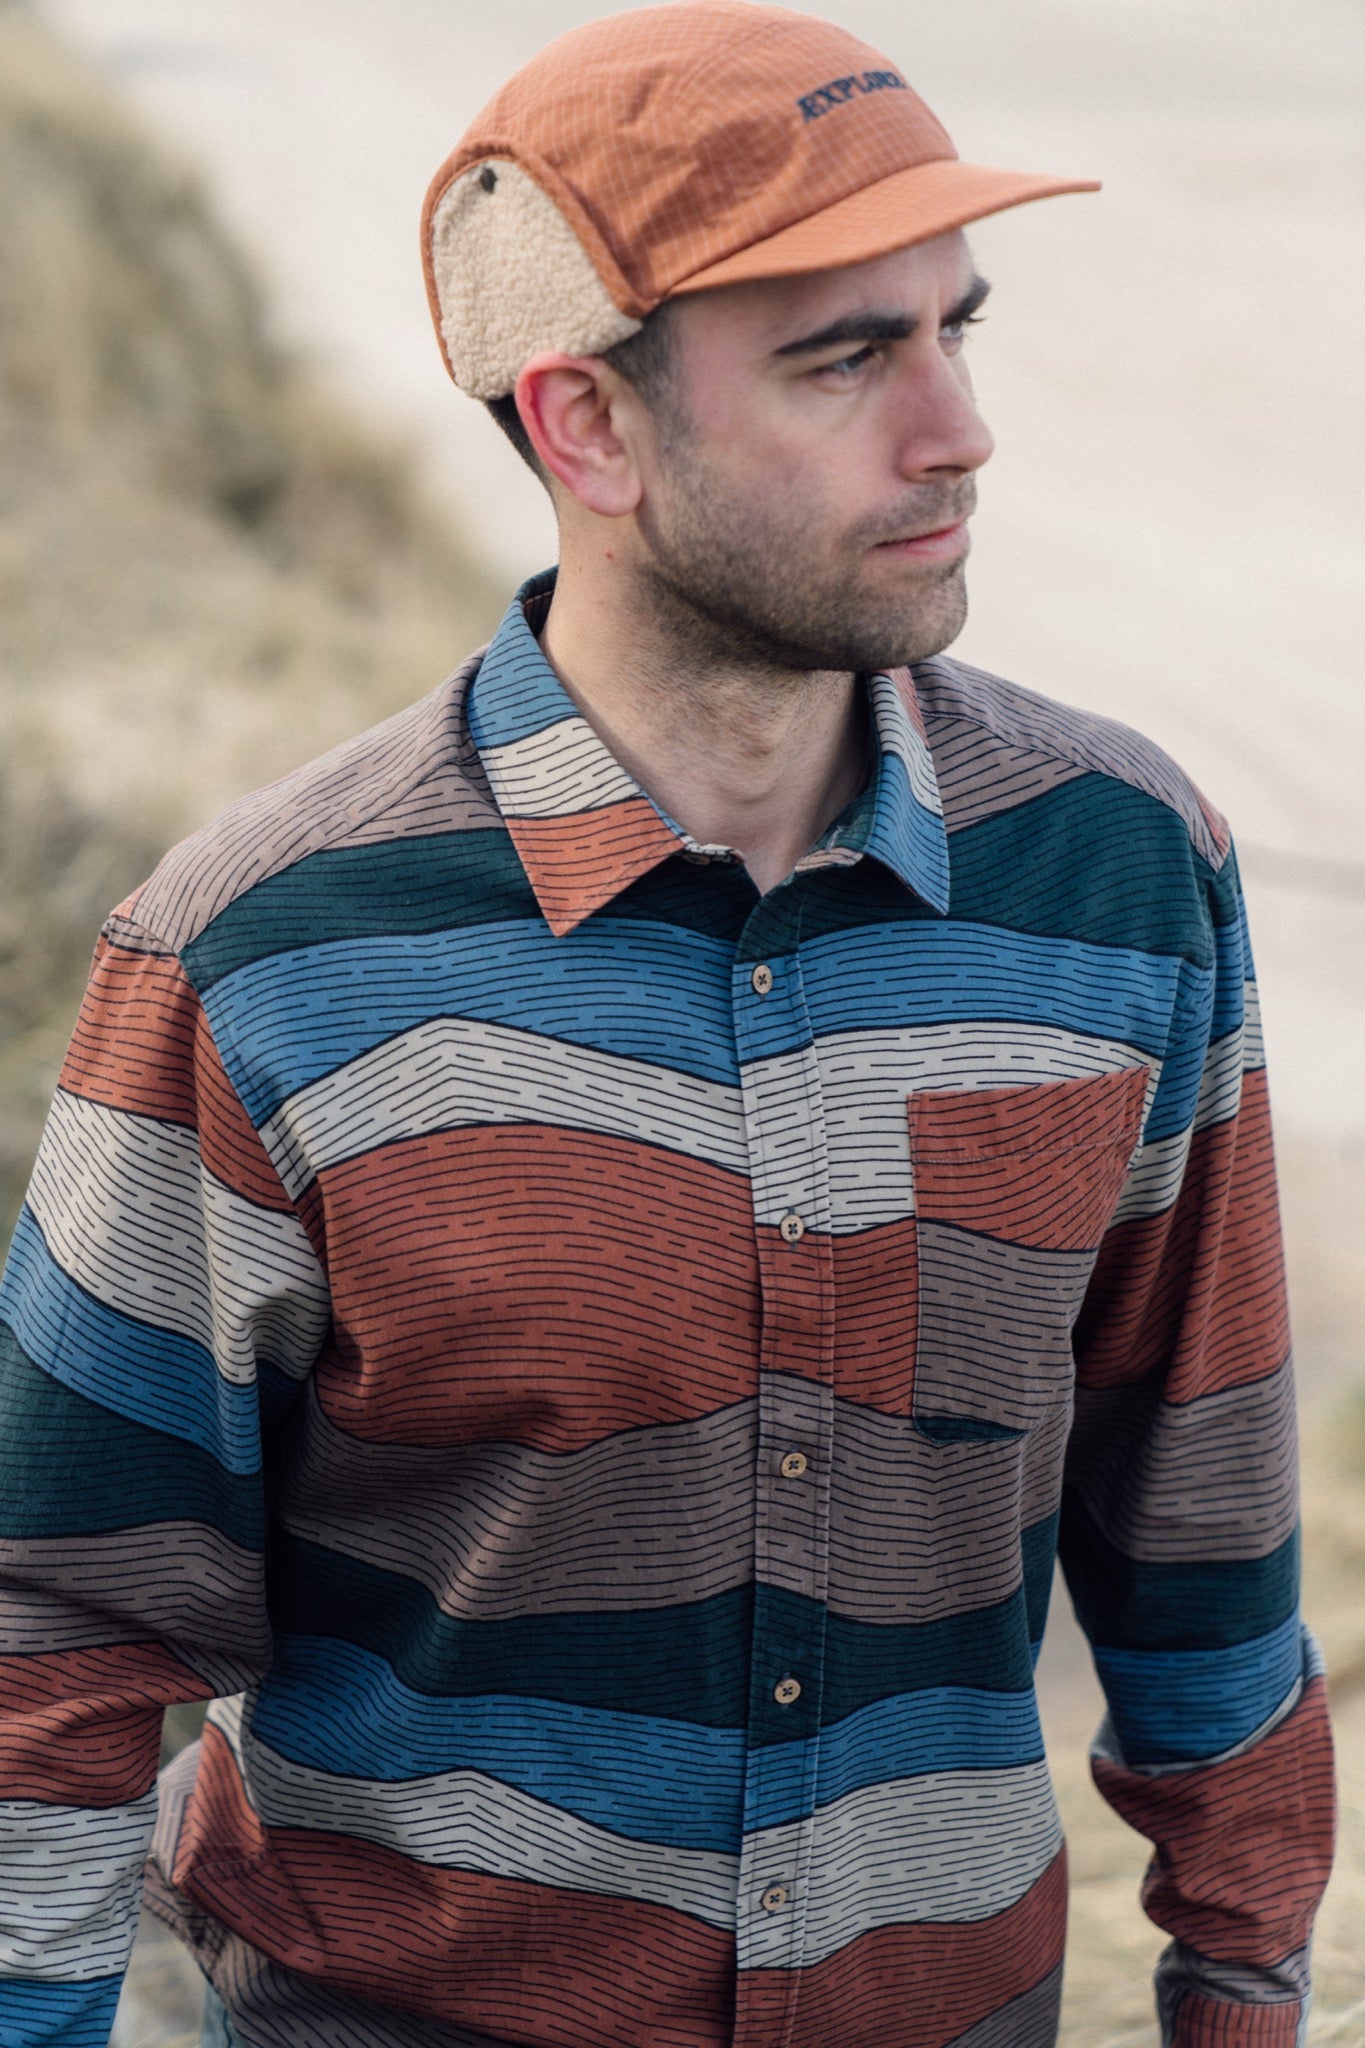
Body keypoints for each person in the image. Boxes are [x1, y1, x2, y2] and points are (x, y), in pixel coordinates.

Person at [0, 5, 1335, 2046]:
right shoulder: (257, 958)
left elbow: (1204, 1529)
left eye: (954, 329)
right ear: (586, 429)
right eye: (843, 359)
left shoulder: (1121, 875)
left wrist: (1238, 1988)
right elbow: (60, 1638)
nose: (955, 428)